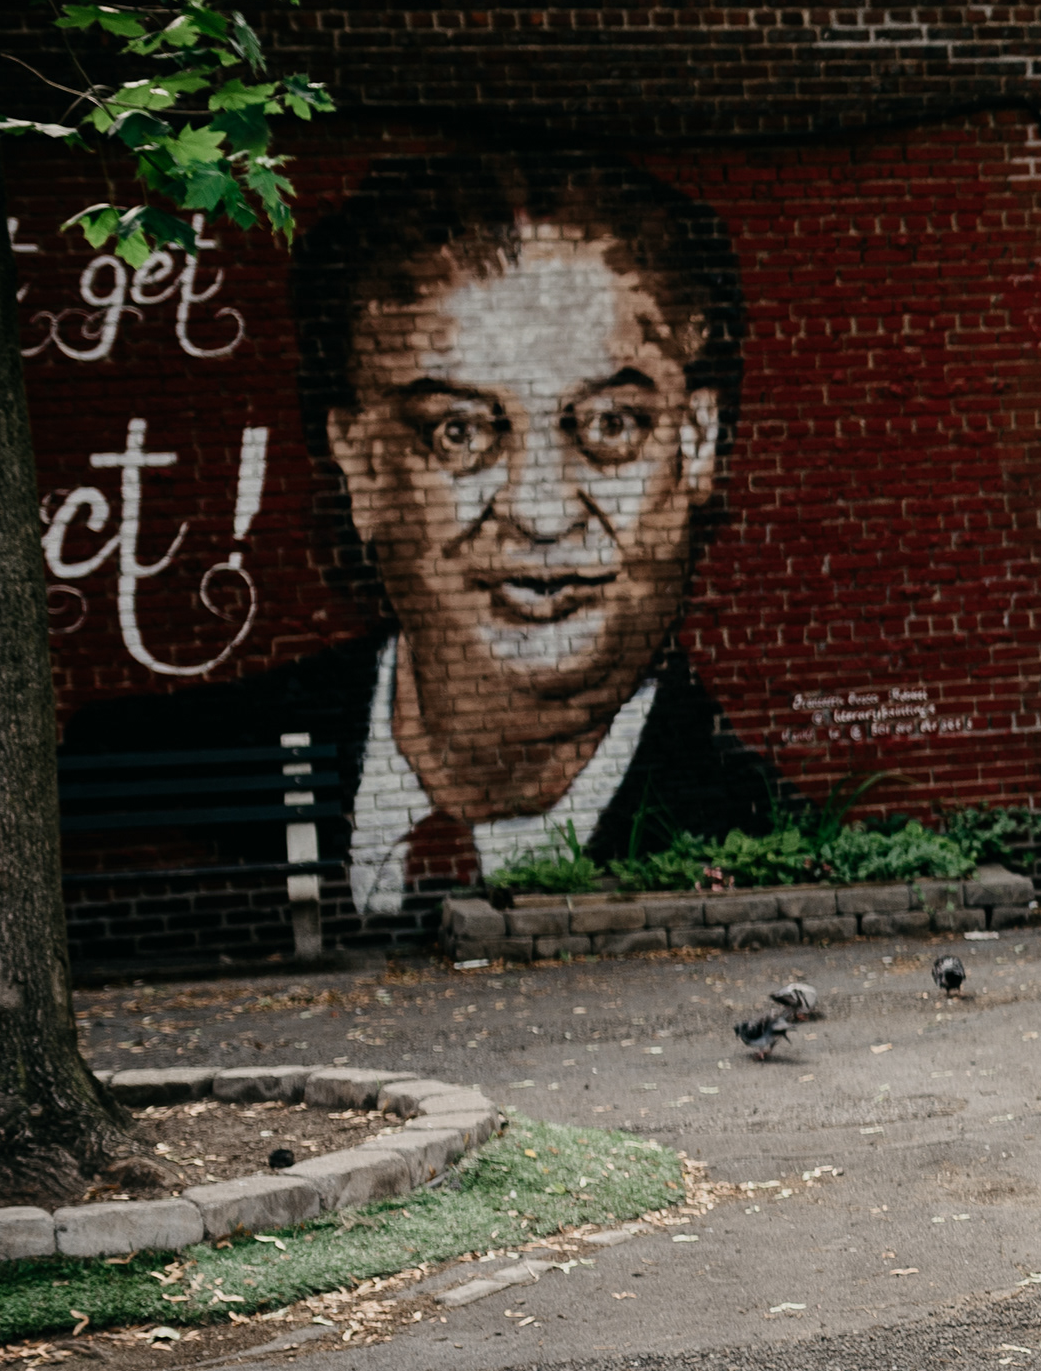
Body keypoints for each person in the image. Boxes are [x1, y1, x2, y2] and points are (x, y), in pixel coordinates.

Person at [63, 150, 782, 915]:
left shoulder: (761, 825)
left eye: (611, 425)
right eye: (458, 433)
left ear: (698, 444)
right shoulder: (152, 774)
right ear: (361, 466)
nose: (541, 514)